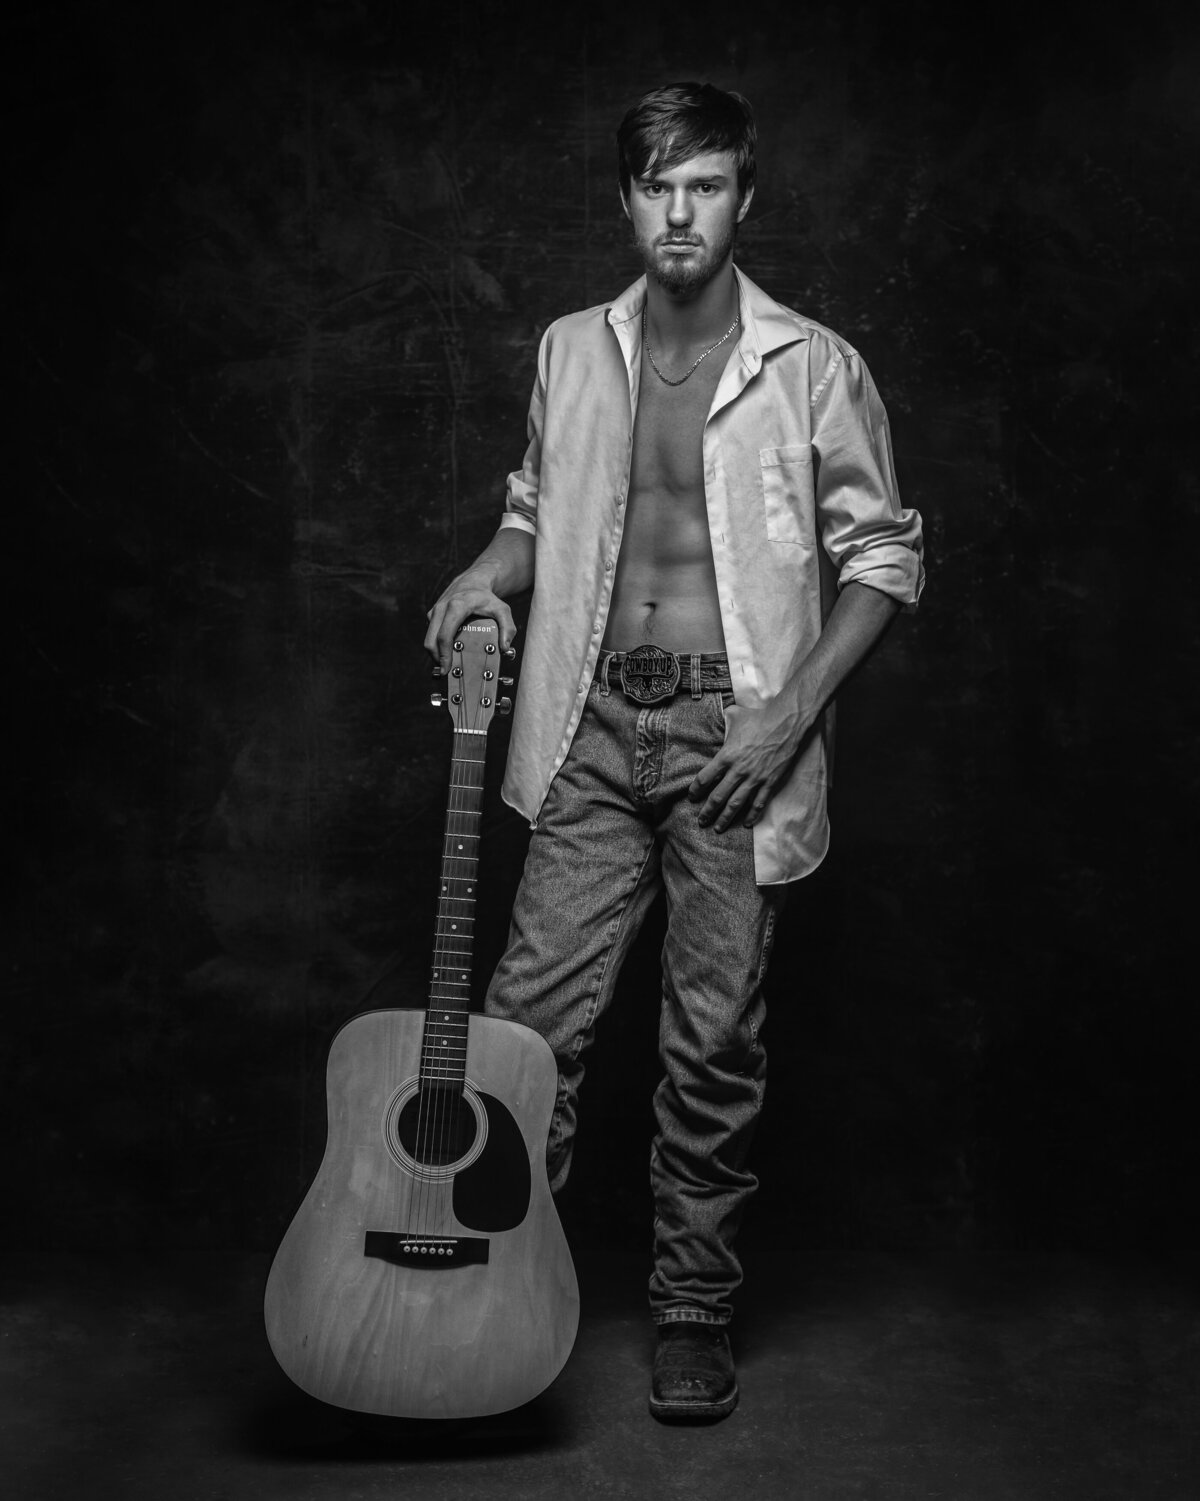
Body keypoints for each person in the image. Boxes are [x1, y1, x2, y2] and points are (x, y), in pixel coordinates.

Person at [423, 81, 924, 1423]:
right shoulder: (571, 348)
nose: (681, 211)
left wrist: (787, 713)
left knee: (710, 1044)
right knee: (524, 1036)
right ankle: (484, 1296)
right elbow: (539, 508)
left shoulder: (811, 364)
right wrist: (486, 571)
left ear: (743, 197)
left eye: (706, 184)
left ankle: (693, 1315)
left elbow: (883, 554)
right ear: (626, 200)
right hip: (588, 721)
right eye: (659, 186)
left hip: (732, 732)